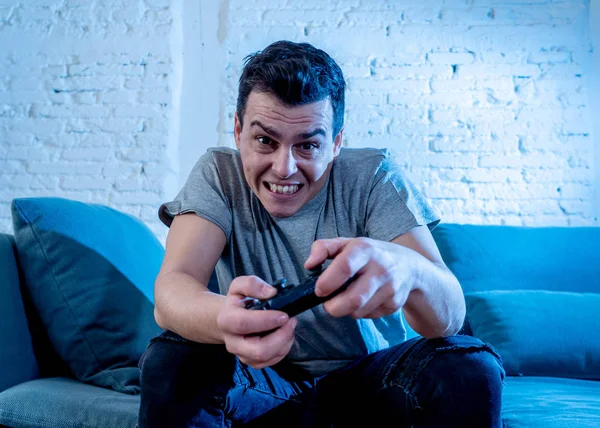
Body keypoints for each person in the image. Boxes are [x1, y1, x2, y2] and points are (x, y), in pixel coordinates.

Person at [138, 40, 505, 428]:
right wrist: (224, 319)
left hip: (371, 385)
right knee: (173, 357)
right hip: (258, 386)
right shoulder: (218, 174)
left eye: (308, 145)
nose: (284, 168)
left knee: (469, 366)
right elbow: (173, 290)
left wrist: (411, 271)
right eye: (265, 141)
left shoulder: (374, 176)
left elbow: (448, 320)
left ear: (336, 143)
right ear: (237, 130)